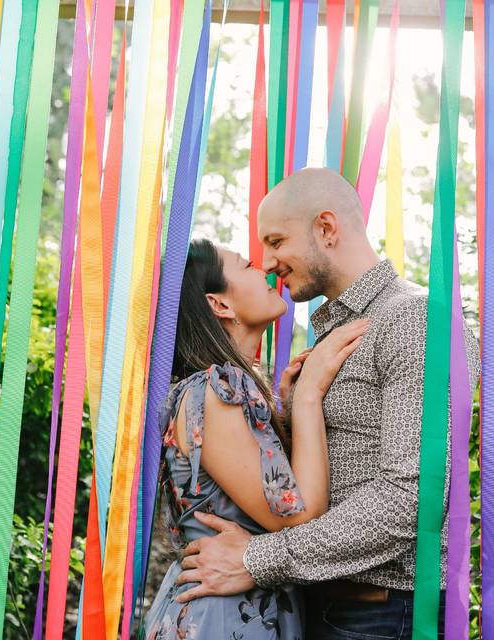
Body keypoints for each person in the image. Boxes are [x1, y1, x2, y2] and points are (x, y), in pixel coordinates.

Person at [174, 168, 480, 640]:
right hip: (316, 605)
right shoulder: (329, 338)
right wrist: (298, 410)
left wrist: (255, 560)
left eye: (276, 241)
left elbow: (411, 500)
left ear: (326, 228)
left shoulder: (415, 319)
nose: (269, 261)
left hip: (380, 616)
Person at [145, 238, 369, 639]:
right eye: (247, 265)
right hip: (225, 617)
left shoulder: (222, 390)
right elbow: (300, 518)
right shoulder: (215, 389)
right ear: (220, 304)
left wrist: (286, 411)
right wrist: (309, 397)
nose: (264, 270)